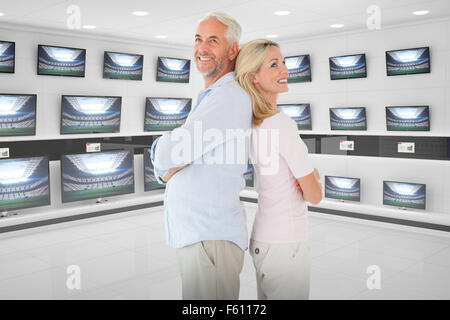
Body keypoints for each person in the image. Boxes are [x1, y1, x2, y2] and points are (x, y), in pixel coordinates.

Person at [150, 12, 252, 300]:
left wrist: (163, 151)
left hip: (211, 239)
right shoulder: (213, 96)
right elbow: (181, 152)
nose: (201, 48)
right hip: (202, 237)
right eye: (197, 39)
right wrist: (172, 161)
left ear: (233, 50)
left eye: (212, 41)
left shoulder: (228, 97)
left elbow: (174, 150)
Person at [235, 39, 323, 300]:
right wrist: (314, 176)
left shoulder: (249, 124)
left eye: (283, 62)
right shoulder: (282, 125)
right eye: (273, 65)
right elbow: (315, 195)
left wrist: (306, 179)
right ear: (253, 78)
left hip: (263, 240)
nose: (284, 69)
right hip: (286, 243)